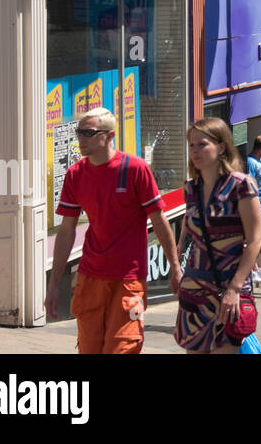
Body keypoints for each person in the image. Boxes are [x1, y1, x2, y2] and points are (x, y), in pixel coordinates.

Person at [46, 108, 178, 354]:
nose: (80, 138)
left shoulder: (135, 169)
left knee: (124, 348)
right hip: (90, 277)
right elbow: (66, 231)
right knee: (89, 349)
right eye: (79, 132)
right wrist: (53, 285)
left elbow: (159, 220)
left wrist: (176, 268)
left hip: (129, 280)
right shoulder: (76, 174)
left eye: (88, 132)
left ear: (108, 136)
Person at [173, 117, 261, 354]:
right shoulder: (191, 188)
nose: (195, 151)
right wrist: (177, 266)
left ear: (222, 146)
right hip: (194, 287)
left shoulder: (242, 186)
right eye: (191, 145)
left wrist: (235, 288)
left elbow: (255, 240)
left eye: (202, 144)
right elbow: (190, 231)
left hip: (228, 288)